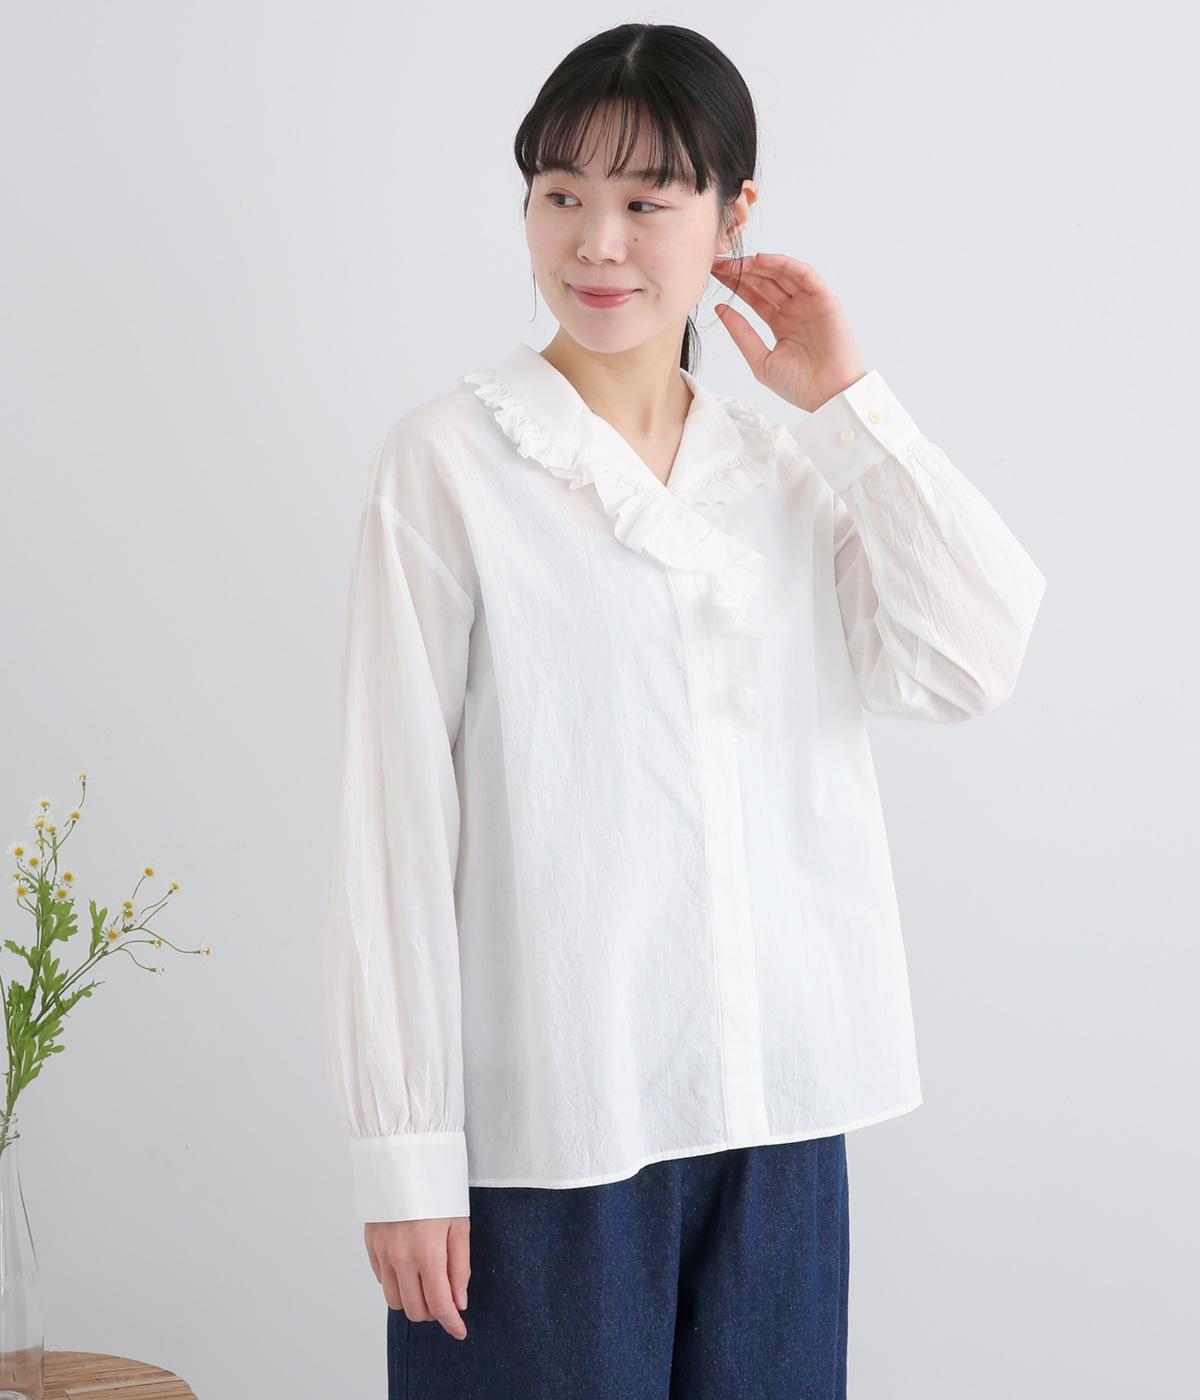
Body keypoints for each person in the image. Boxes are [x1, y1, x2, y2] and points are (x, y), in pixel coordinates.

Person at [324, 22, 1048, 1400]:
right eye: (560, 194)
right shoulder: (449, 465)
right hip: (550, 1133)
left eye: (648, 201)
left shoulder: (785, 472)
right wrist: (405, 1154)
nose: (596, 242)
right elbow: (394, 827)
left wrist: (845, 401)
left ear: (733, 215)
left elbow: (970, 660)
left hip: (780, 1122)